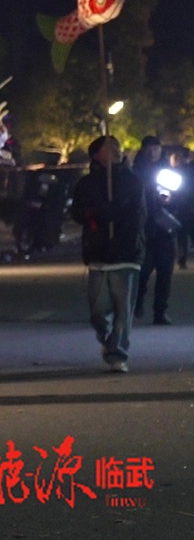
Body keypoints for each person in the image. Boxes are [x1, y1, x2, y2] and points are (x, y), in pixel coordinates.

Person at [70, 135, 148, 370]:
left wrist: (121, 232)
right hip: (98, 253)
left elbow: (138, 216)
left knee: (124, 310)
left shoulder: (133, 181)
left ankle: (118, 354)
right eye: (107, 147)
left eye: (116, 144)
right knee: (98, 309)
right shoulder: (86, 183)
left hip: (126, 254)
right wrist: (98, 214)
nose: (113, 149)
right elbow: (78, 212)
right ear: (96, 155)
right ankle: (107, 338)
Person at [131, 135, 177, 324]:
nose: (152, 153)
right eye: (149, 149)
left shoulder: (168, 172)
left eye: (156, 149)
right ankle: (138, 300)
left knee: (165, 273)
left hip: (165, 230)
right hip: (144, 229)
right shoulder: (135, 173)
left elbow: (180, 196)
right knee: (143, 271)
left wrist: (170, 201)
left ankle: (160, 312)